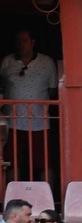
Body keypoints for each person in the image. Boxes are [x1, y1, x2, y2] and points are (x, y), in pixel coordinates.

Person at [1, 29, 57, 187]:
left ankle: (48, 198)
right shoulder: (6, 62)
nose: (21, 44)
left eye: (24, 40)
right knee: (11, 162)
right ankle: (12, 196)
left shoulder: (46, 63)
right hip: (12, 122)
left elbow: (53, 90)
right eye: (18, 41)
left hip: (39, 122)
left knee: (44, 163)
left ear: (32, 43)